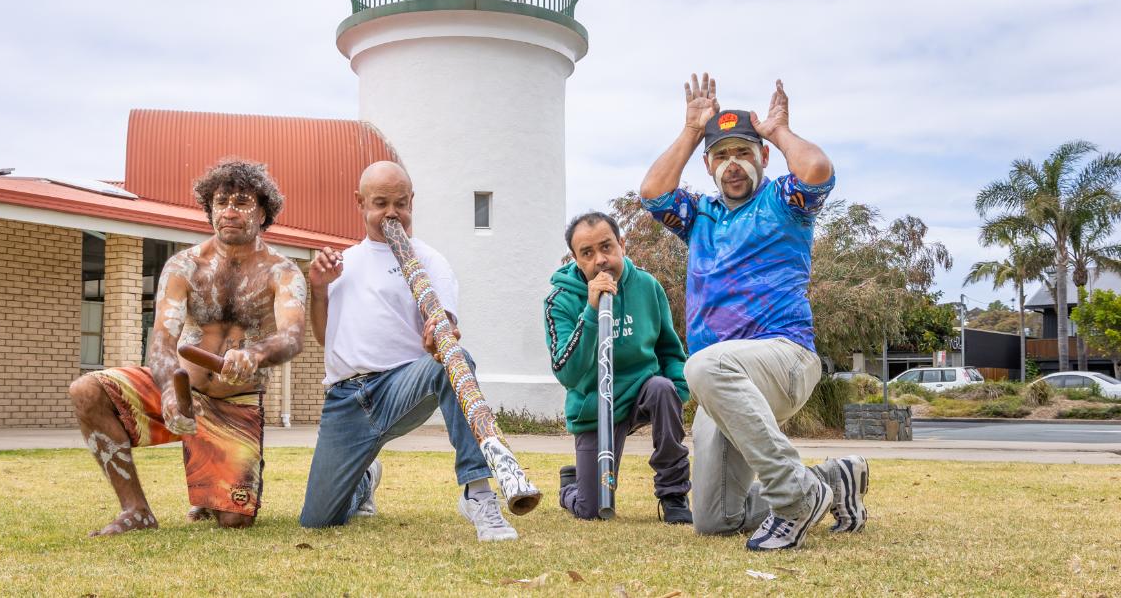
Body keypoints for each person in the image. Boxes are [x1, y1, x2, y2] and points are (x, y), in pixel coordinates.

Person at [639, 73, 868, 551]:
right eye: (721, 155)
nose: (733, 164)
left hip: (784, 359)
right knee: (715, 518)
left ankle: (795, 499)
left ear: (762, 157)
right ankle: (829, 480)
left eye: (743, 152)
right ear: (708, 166)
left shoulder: (784, 201)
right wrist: (689, 130)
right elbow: (653, 194)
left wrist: (778, 132)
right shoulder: (699, 214)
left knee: (703, 362)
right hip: (720, 384)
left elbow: (818, 170)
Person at [68, 159, 306, 536]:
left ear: (263, 212)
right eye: (221, 201)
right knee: (87, 390)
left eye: (242, 202)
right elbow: (162, 339)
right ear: (209, 209)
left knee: (235, 520)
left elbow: (292, 336)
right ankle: (136, 510)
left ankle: (212, 483)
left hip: (234, 402)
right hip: (183, 390)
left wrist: (254, 354)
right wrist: (166, 390)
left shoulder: (282, 271)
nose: (229, 211)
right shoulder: (184, 266)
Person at [298, 160, 518, 542]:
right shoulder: (342, 264)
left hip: (403, 385)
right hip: (345, 400)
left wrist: (440, 332)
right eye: (380, 203)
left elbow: (443, 324)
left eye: (400, 202)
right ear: (360, 203)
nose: (391, 213)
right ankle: (363, 483)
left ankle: (477, 492)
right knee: (317, 521)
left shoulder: (431, 260)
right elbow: (323, 336)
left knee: (455, 360)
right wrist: (318, 290)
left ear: (412, 201)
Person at [543, 211, 693, 523]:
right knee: (592, 510)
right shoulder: (559, 300)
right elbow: (566, 372)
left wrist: (678, 393)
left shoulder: (647, 287)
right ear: (575, 259)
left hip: (642, 391)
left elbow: (669, 350)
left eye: (607, 247)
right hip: (594, 406)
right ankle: (571, 487)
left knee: (663, 388)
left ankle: (673, 495)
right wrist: (591, 310)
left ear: (621, 244)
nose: (600, 259)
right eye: (587, 253)